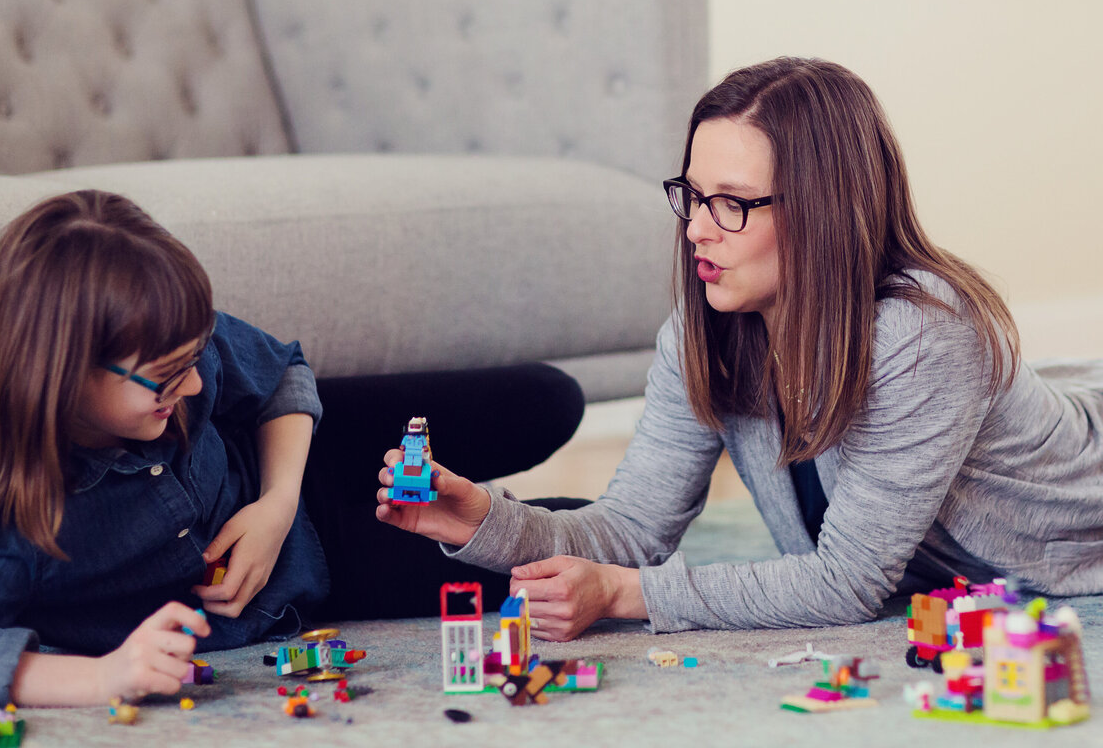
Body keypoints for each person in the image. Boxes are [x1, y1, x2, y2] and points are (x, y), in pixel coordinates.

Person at [376, 56, 1103, 642]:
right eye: (691, 195)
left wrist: (626, 596)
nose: (697, 228)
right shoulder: (707, 329)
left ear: (823, 212)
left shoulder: (924, 336)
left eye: (732, 202)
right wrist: (484, 520)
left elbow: (846, 583)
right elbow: (633, 528)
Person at [0, 190, 585, 708]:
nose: (197, 382)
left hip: (300, 462)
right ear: (65, 373)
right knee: (578, 538)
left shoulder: (167, 343)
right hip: (324, 565)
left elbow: (281, 371)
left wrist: (276, 503)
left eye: (194, 357)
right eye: (170, 375)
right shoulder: (7, 521)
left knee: (547, 399)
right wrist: (103, 676)